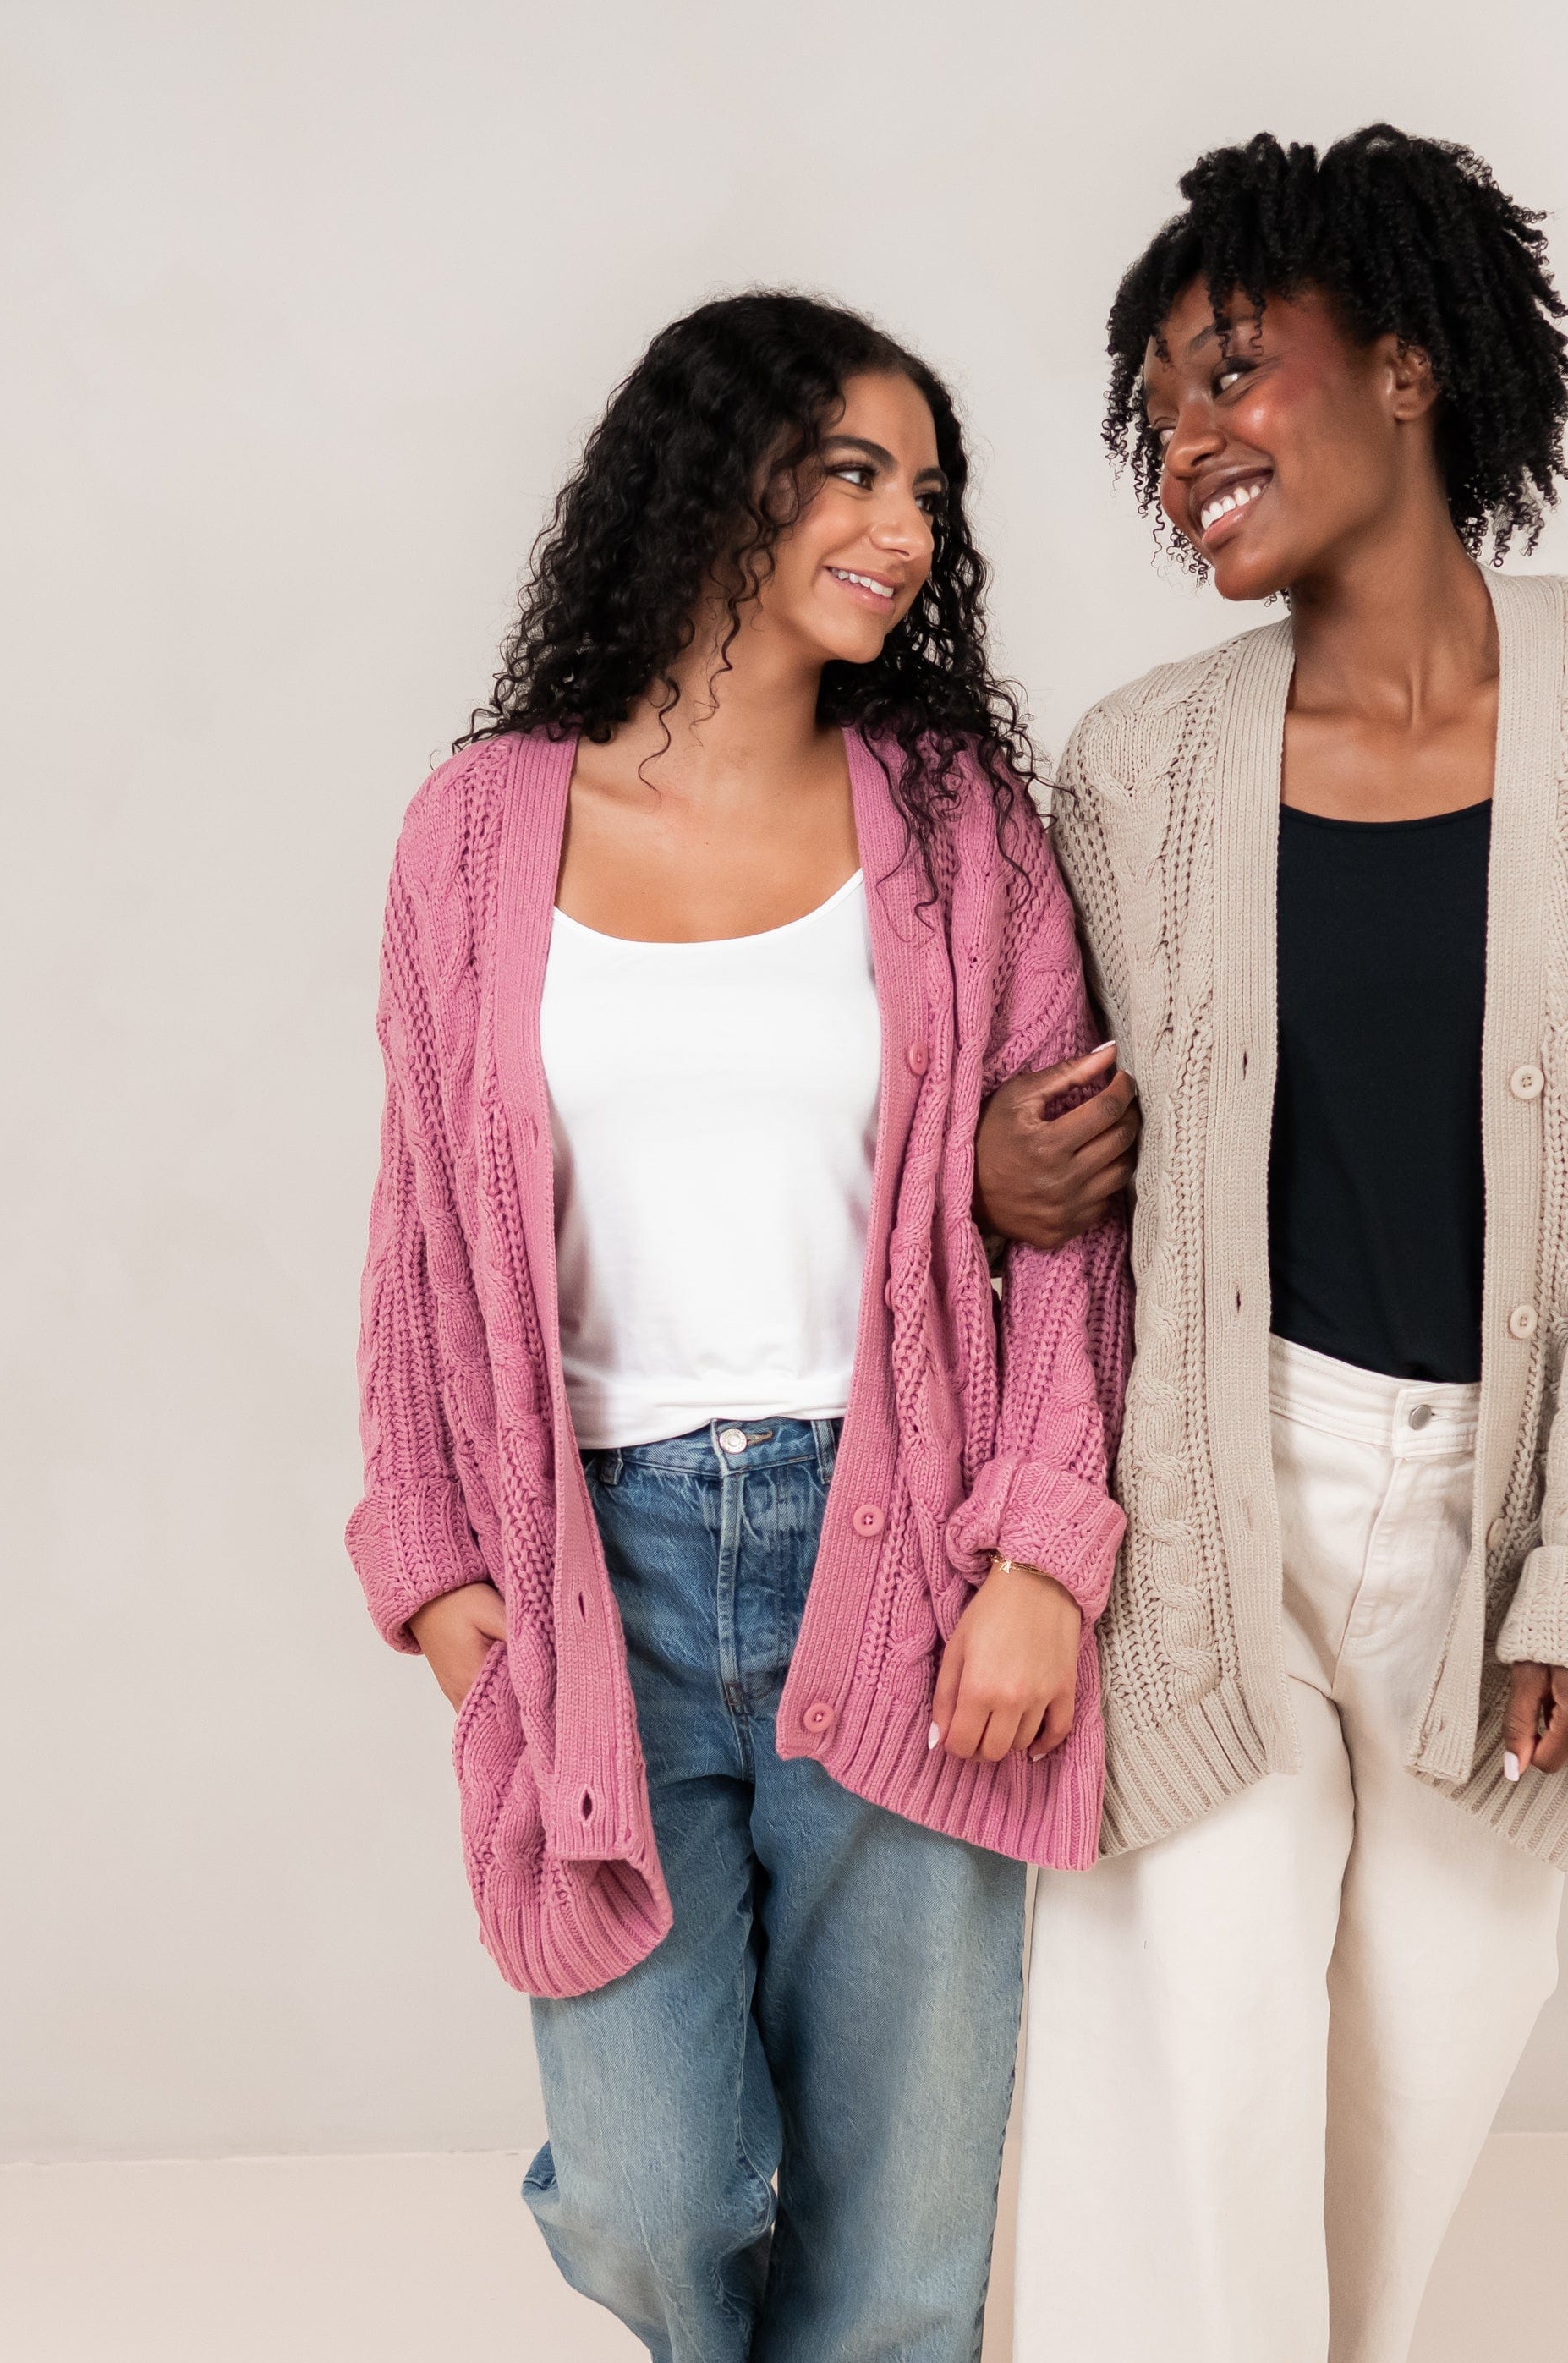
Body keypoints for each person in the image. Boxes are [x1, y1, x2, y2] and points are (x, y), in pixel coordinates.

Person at [979, 128, 1568, 2362]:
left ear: (1415, 362)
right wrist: (993, 1178)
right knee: (1194, 2085)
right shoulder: (1134, 768)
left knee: (1407, 2093)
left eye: (1232, 369)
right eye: (1155, 420)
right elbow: (1032, 1158)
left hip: (1501, 1510)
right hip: (1202, 1494)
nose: (1187, 444)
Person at [346, 291, 1130, 2361]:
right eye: (856, 472)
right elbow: (425, 1229)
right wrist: (430, 1571)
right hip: (591, 1577)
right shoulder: (482, 833)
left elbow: (1071, 1221)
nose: (906, 528)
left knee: (899, 2248)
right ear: (714, 480)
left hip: (901, 1544)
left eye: (929, 492)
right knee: (655, 2199)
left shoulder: (955, 821)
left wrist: (1045, 1550)